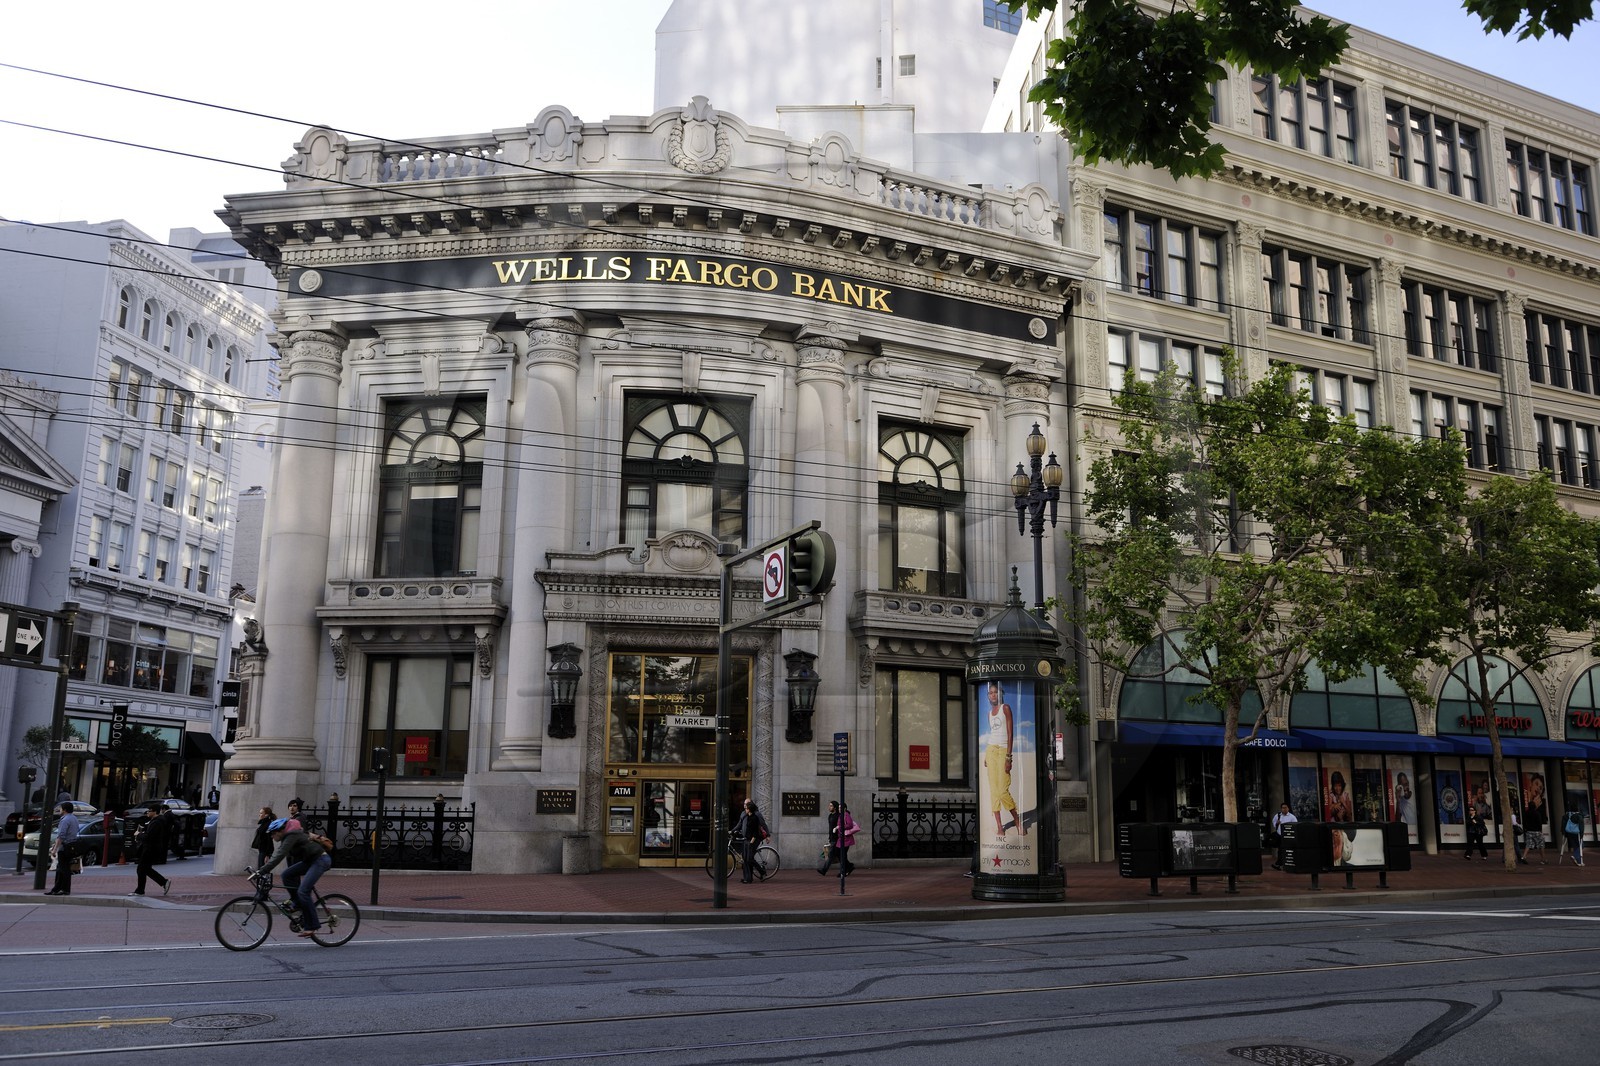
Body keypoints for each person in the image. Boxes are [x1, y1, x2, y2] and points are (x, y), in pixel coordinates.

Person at [257, 817, 331, 935]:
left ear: (280, 831)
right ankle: (297, 902)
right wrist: (262, 870)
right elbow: (280, 853)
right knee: (286, 874)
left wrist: (261, 871)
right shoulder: (287, 838)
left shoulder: (291, 836)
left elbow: (279, 855)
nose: (272, 836)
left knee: (303, 891)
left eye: (273, 833)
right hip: (310, 860)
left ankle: (312, 926)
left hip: (320, 860)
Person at [984, 682, 1024, 838]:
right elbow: (992, 733)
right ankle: (1000, 827)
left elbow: (1009, 734)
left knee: (1002, 790)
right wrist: (987, 757)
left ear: (1000, 694)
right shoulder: (989, 713)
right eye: (990, 693)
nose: (993, 695)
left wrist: (1008, 756)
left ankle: (1018, 821)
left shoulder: (1005, 708)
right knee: (994, 791)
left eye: (995, 692)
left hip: (1002, 750)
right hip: (991, 750)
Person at [130, 807, 174, 896]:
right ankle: (164, 882)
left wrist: (139, 835)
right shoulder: (156, 821)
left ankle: (140, 891)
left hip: (150, 849)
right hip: (151, 848)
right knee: (146, 869)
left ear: (155, 812)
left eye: (149, 811)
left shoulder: (156, 822)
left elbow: (149, 837)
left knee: (141, 869)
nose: (147, 813)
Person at [45, 802, 81, 896]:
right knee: (63, 868)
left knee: (62, 868)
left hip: (64, 846)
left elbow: (61, 836)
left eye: (61, 808)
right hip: (72, 845)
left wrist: (54, 849)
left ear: (64, 810)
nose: (60, 810)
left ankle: (63, 889)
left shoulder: (65, 820)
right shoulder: (74, 818)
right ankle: (58, 888)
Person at [733, 800, 770, 883]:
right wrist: (732, 831)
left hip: (753, 840)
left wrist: (767, 835)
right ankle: (748, 878)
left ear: (750, 807)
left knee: (749, 858)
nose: (745, 806)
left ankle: (761, 872)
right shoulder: (745, 815)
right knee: (746, 858)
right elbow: (739, 824)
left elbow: (760, 827)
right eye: (745, 804)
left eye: (747, 805)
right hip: (746, 839)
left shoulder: (756, 816)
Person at [820, 801, 859, 877]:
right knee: (839, 854)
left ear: (845, 808)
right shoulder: (840, 815)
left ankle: (844, 871)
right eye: (839, 808)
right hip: (841, 838)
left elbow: (850, 825)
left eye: (841, 808)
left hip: (846, 839)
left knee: (841, 855)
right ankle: (849, 867)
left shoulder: (846, 815)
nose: (839, 809)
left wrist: (839, 827)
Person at [1269, 802, 1297, 870]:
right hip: (1279, 835)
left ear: (1288, 808)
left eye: (1285, 808)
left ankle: (1279, 864)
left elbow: (1295, 826)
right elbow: (1274, 823)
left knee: (1283, 850)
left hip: (1287, 836)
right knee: (1280, 850)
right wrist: (1277, 823)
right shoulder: (1278, 815)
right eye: (1282, 808)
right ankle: (1280, 864)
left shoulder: (1292, 817)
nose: (1284, 809)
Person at [1465, 792, 1490, 859]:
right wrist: (1471, 821)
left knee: (1480, 844)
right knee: (1470, 844)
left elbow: (1482, 823)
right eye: (1470, 810)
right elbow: (1467, 823)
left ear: (1474, 811)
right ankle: (1468, 855)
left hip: (1478, 832)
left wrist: (1476, 822)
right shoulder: (1468, 817)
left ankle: (1484, 855)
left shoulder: (1478, 817)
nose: (1471, 811)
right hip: (1471, 832)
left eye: (1472, 810)